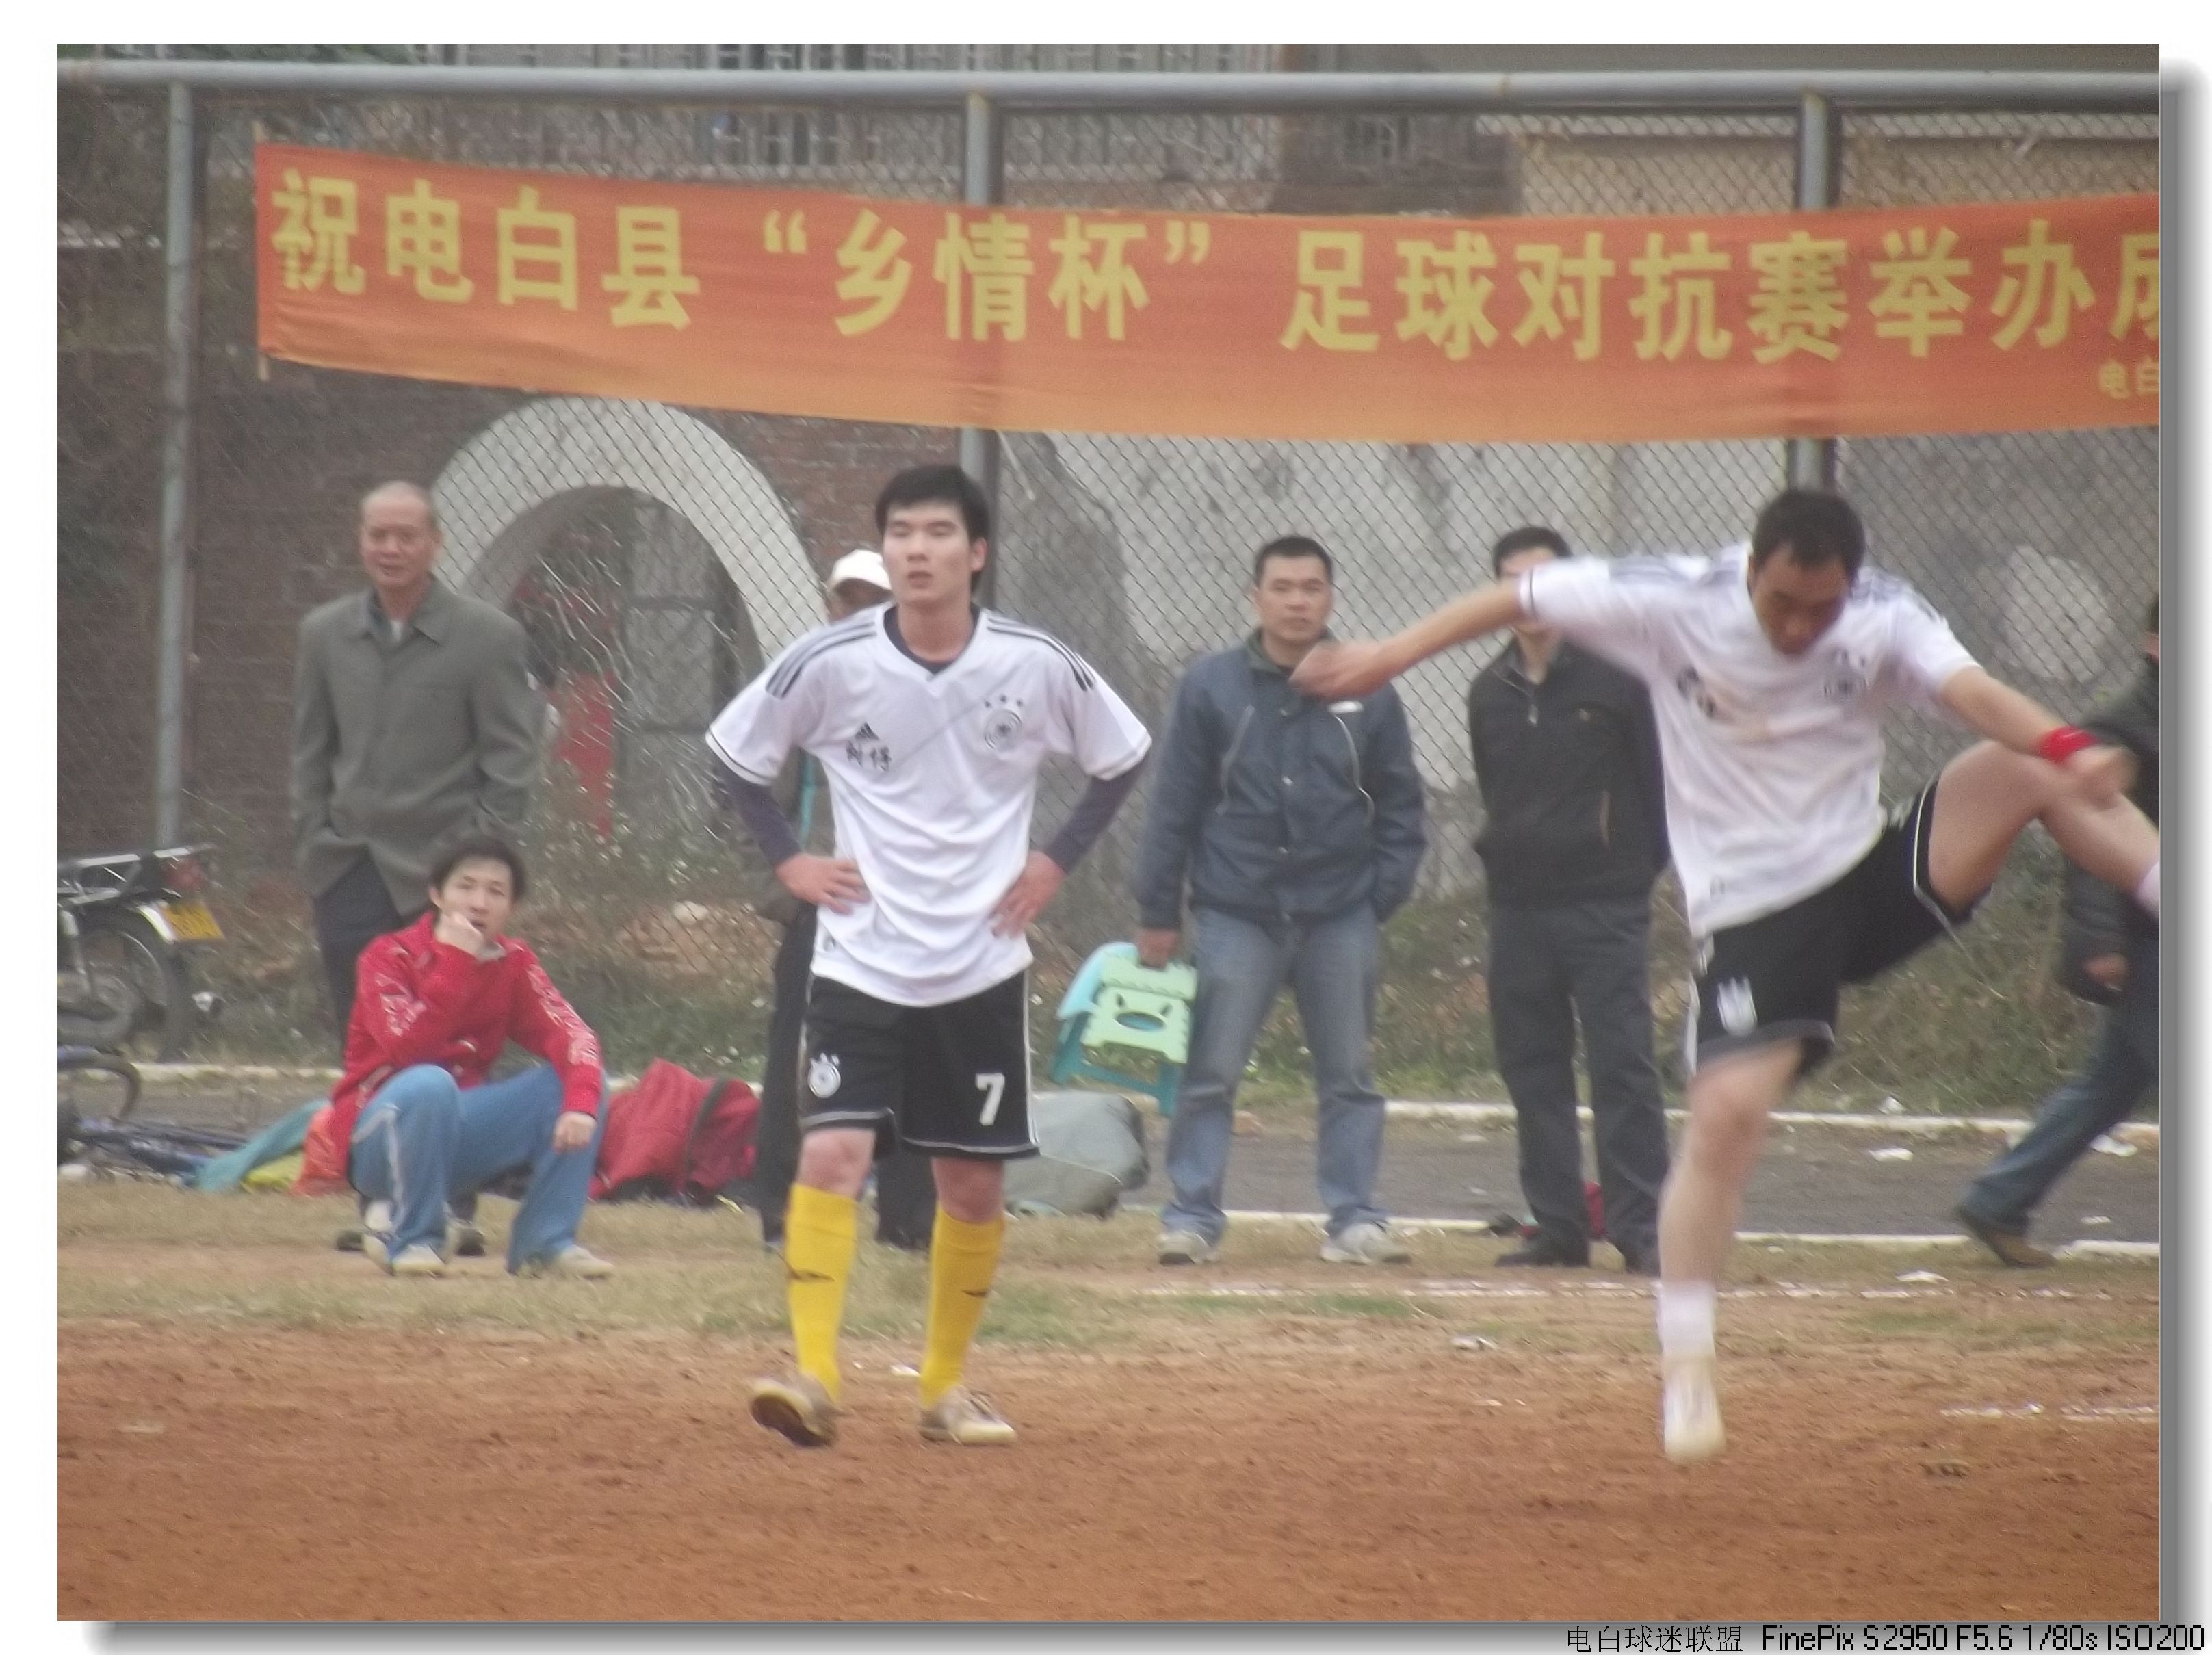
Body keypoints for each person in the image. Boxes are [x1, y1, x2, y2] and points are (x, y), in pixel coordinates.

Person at [1291, 488, 2159, 1463]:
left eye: (1818, 609)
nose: (1797, 628)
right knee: (1726, 1117)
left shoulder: (1882, 612)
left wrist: (2068, 745)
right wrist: (1387, 654)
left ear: (1848, 586)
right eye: (1781, 602)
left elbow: (1970, 693)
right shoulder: (1674, 597)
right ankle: (1687, 1359)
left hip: (1869, 871)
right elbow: (1518, 594)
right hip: (1757, 915)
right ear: (1751, 569)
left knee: (2034, 767)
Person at [707, 465, 1151, 1449]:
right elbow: (737, 757)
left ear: (976, 552)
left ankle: (945, 1388)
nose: (916, 549)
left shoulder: (1032, 663)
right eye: (900, 531)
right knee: (832, 1153)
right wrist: (791, 860)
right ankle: (813, 1374)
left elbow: (1121, 757)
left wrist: (1052, 861)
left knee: (971, 1185)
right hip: (859, 959)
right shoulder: (830, 659)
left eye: (938, 532)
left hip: (979, 966)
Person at [1132, 535, 1427, 1268]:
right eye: (1283, 587)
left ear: (1330, 596)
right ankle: (1191, 1217)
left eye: (1311, 588)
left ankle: (1354, 1218)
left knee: (1349, 1077)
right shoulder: (1209, 687)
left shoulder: (1370, 687)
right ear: (1254, 596)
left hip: (1340, 911)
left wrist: (1378, 896)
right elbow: (1174, 804)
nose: (1297, 602)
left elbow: (1400, 803)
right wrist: (1158, 911)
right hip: (1237, 911)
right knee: (1210, 1073)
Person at [291, 481, 543, 1258]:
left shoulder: (486, 637)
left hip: (441, 878)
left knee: (453, 1040)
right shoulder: (325, 633)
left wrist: (476, 872)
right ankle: (378, 1198)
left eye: (406, 535)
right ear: (361, 540)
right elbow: (310, 751)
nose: (391, 549)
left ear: (435, 542)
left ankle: (451, 1205)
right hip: (350, 867)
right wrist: (316, 843)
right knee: (368, 1042)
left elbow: (510, 762)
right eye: (378, 534)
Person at [1467, 526, 1671, 1275]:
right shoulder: (1487, 691)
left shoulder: (1619, 680)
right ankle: (1557, 1226)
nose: (1529, 597)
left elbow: (1658, 790)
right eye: (1512, 581)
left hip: (1603, 906)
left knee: (1622, 1065)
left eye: (1545, 580)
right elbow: (1493, 789)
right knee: (1531, 1068)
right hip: (1518, 909)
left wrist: (1628, 872)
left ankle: (1641, 1227)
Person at [294, 834, 614, 1281]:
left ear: (511, 907)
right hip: (378, 1134)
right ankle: (414, 1239)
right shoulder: (387, 956)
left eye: (496, 892)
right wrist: (456, 962)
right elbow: (408, 1049)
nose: (479, 902)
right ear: (437, 895)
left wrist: (579, 1104)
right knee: (430, 1082)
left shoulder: (513, 962)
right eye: (465, 886)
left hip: (458, 1133)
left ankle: (546, 1243)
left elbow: (573, 1035)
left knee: (578, 1082)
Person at [742, 549, 939, 1257]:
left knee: (916, 1055)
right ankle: (782, 1214)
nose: (857, 613)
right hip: (823, 912)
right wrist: (790, 877)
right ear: (829, 608)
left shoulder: (933, 690)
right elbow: (745, 779)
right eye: (846, 600)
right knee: (796, 1057)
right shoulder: (800, 681)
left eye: (873, 600)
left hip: (911, 913)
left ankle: (909, 1221)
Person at [1957, 597, 2159, 1267]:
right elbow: (2090, 840)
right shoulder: (2118, 725)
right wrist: (2100, 940)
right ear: (2154, 642)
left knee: (2108, 1085)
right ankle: (1997, 1199)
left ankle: (1998, 1199)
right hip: (2146, 938)